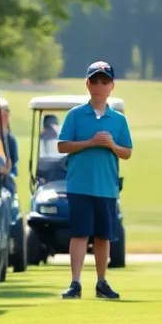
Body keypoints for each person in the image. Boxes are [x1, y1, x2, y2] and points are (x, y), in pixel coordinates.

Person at [58, 61, 133, 300]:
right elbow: (62, 145)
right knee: (80, 234)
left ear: (112, 86)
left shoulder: (118, 120)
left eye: (104, 81)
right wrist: (90, 142)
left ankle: (102, 282)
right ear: (87, 84)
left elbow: (127, 152)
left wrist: (111, 145)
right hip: (80, 185)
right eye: (95, 81)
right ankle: (75, 283)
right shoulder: (76, 115)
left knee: (103, 236)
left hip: (106, 187)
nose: (99, 86)